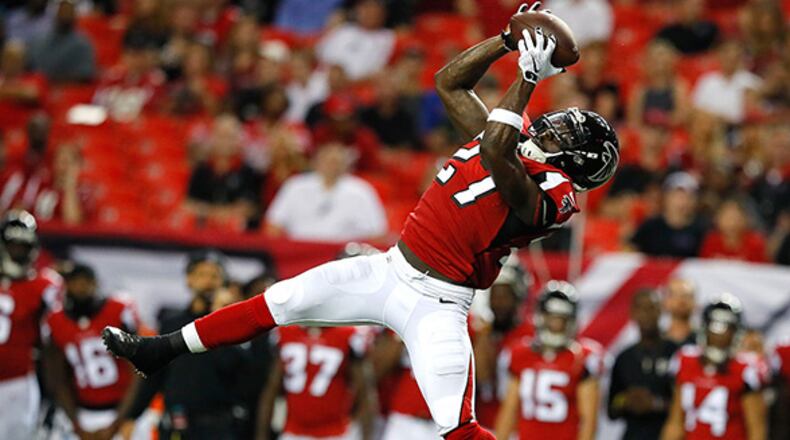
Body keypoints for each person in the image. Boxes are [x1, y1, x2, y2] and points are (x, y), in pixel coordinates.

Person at [103, 3, 620, 438]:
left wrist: (528, 79)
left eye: (565, 138)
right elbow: (449, 82)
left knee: (455, 425)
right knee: (279, 301)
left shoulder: (556, 195)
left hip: (438, 305)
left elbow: (497, 152)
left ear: (578, 164)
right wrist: (504, 41)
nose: (553, 129)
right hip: (389, 268)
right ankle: (159, 350)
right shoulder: (518, 135)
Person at [117, 250, 254, 440]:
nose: (208, 282)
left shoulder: (236, 324)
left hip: (218, 429)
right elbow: (155, 375)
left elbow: (237, 371)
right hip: (176, 427)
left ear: (223, 283)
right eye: (201, 275)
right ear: (189, 280)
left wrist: (220, 317)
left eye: (214, 276)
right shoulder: (172, 323)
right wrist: (132, 416)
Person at [494, 281, 604, 440]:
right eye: (552, 318)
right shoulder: (520, 354)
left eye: (561, 319)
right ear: (540, 317)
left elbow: (588, 421)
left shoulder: (581, 359)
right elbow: (509, 410)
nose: (556, 325)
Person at [42, 262, 140, 439]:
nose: (81, 288)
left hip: (122, 409)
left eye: (85, 282)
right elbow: (56, 378)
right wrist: (76, 424)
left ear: (96, 283)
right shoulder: (55, 321)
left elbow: (138, 369)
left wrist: (119, 421)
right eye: (75, 282)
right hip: (83, 412)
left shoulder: (117, 311)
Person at [660, 294, 768, 440]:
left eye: (727, 328)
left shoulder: (746, 370)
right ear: (705, 327)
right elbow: (676, 422)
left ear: (736, 332)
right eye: (714, 326)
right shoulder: (685, 360)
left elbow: (757, 430)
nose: (720, 336)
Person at [0, 210, 63, 439]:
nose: (17, 252)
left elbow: (56, 340)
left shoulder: (44, 285)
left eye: (23, 246)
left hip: (19, 383)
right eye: (13, 245)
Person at [256, 326, 375, 440]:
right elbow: (271, 389)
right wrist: (261, 436)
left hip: (334, 433)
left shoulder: (349, 336)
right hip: (293, 432)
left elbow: (365, 393)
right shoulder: (284, 333)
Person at [264, 142, 387, 242]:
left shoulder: (361, 191)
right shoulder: (295, 186)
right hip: (299, 253)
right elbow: (273, 226)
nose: (332, 166)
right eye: (327, 160)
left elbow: (377, 234)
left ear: (346, 165)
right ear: (316, 162)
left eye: (336, 162)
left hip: (343, 257)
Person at [472, 255, 533, 429]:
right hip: (481, 424)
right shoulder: (481, 331)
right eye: (494, 296)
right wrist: (483, 335)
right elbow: (482, 376)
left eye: (505, 296)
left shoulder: (530, 336)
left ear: (518, 297)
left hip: (515, 428)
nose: (498, 303)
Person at [608, 290, 678, 440]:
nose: (646, 314)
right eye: (641, 308)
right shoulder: (624, 358)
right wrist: (626, 400)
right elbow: (611, 409)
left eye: (651, 308)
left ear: (660, 311)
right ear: (632, 313)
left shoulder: (676, 353)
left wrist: (656, 404)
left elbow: (690, 402)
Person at [630, 171, 708, 258]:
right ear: (666, 197)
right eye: (678, 196)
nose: (683, 201)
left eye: (689, 196)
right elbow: (632, 249)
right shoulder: (650, 226)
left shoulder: (701, 230)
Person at [315, 0, 395, 81]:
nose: (369, 13)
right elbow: (318, 54)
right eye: (365, 8)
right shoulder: (344, 29)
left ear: (383, 13)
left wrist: (345, 81)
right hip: (322, 80)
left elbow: (378, 73)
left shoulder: (387, 38)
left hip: (355, 87)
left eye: (374, 9)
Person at [27, 0, 97, 83]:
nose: (64, 15)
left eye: (68, 12)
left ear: (74, 17)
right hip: (39, 86)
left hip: (68, 88)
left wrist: (54, 81)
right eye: (62, 12)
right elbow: (31, 67)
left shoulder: (82, 43)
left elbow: (85, 75)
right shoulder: (41, 40)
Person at [655, 0, 719, 55]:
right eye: (691, 6)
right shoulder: (667, 32)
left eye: (698, 6)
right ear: (681, 7)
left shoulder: (710, 28)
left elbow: (717, 51)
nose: (695, 10)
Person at [662, 278, 697, 346]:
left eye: (686, 295)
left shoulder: (704, 340)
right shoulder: (656, 341)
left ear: (695, 303)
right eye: (675, 295)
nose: (681, 300)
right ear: (665, 302)